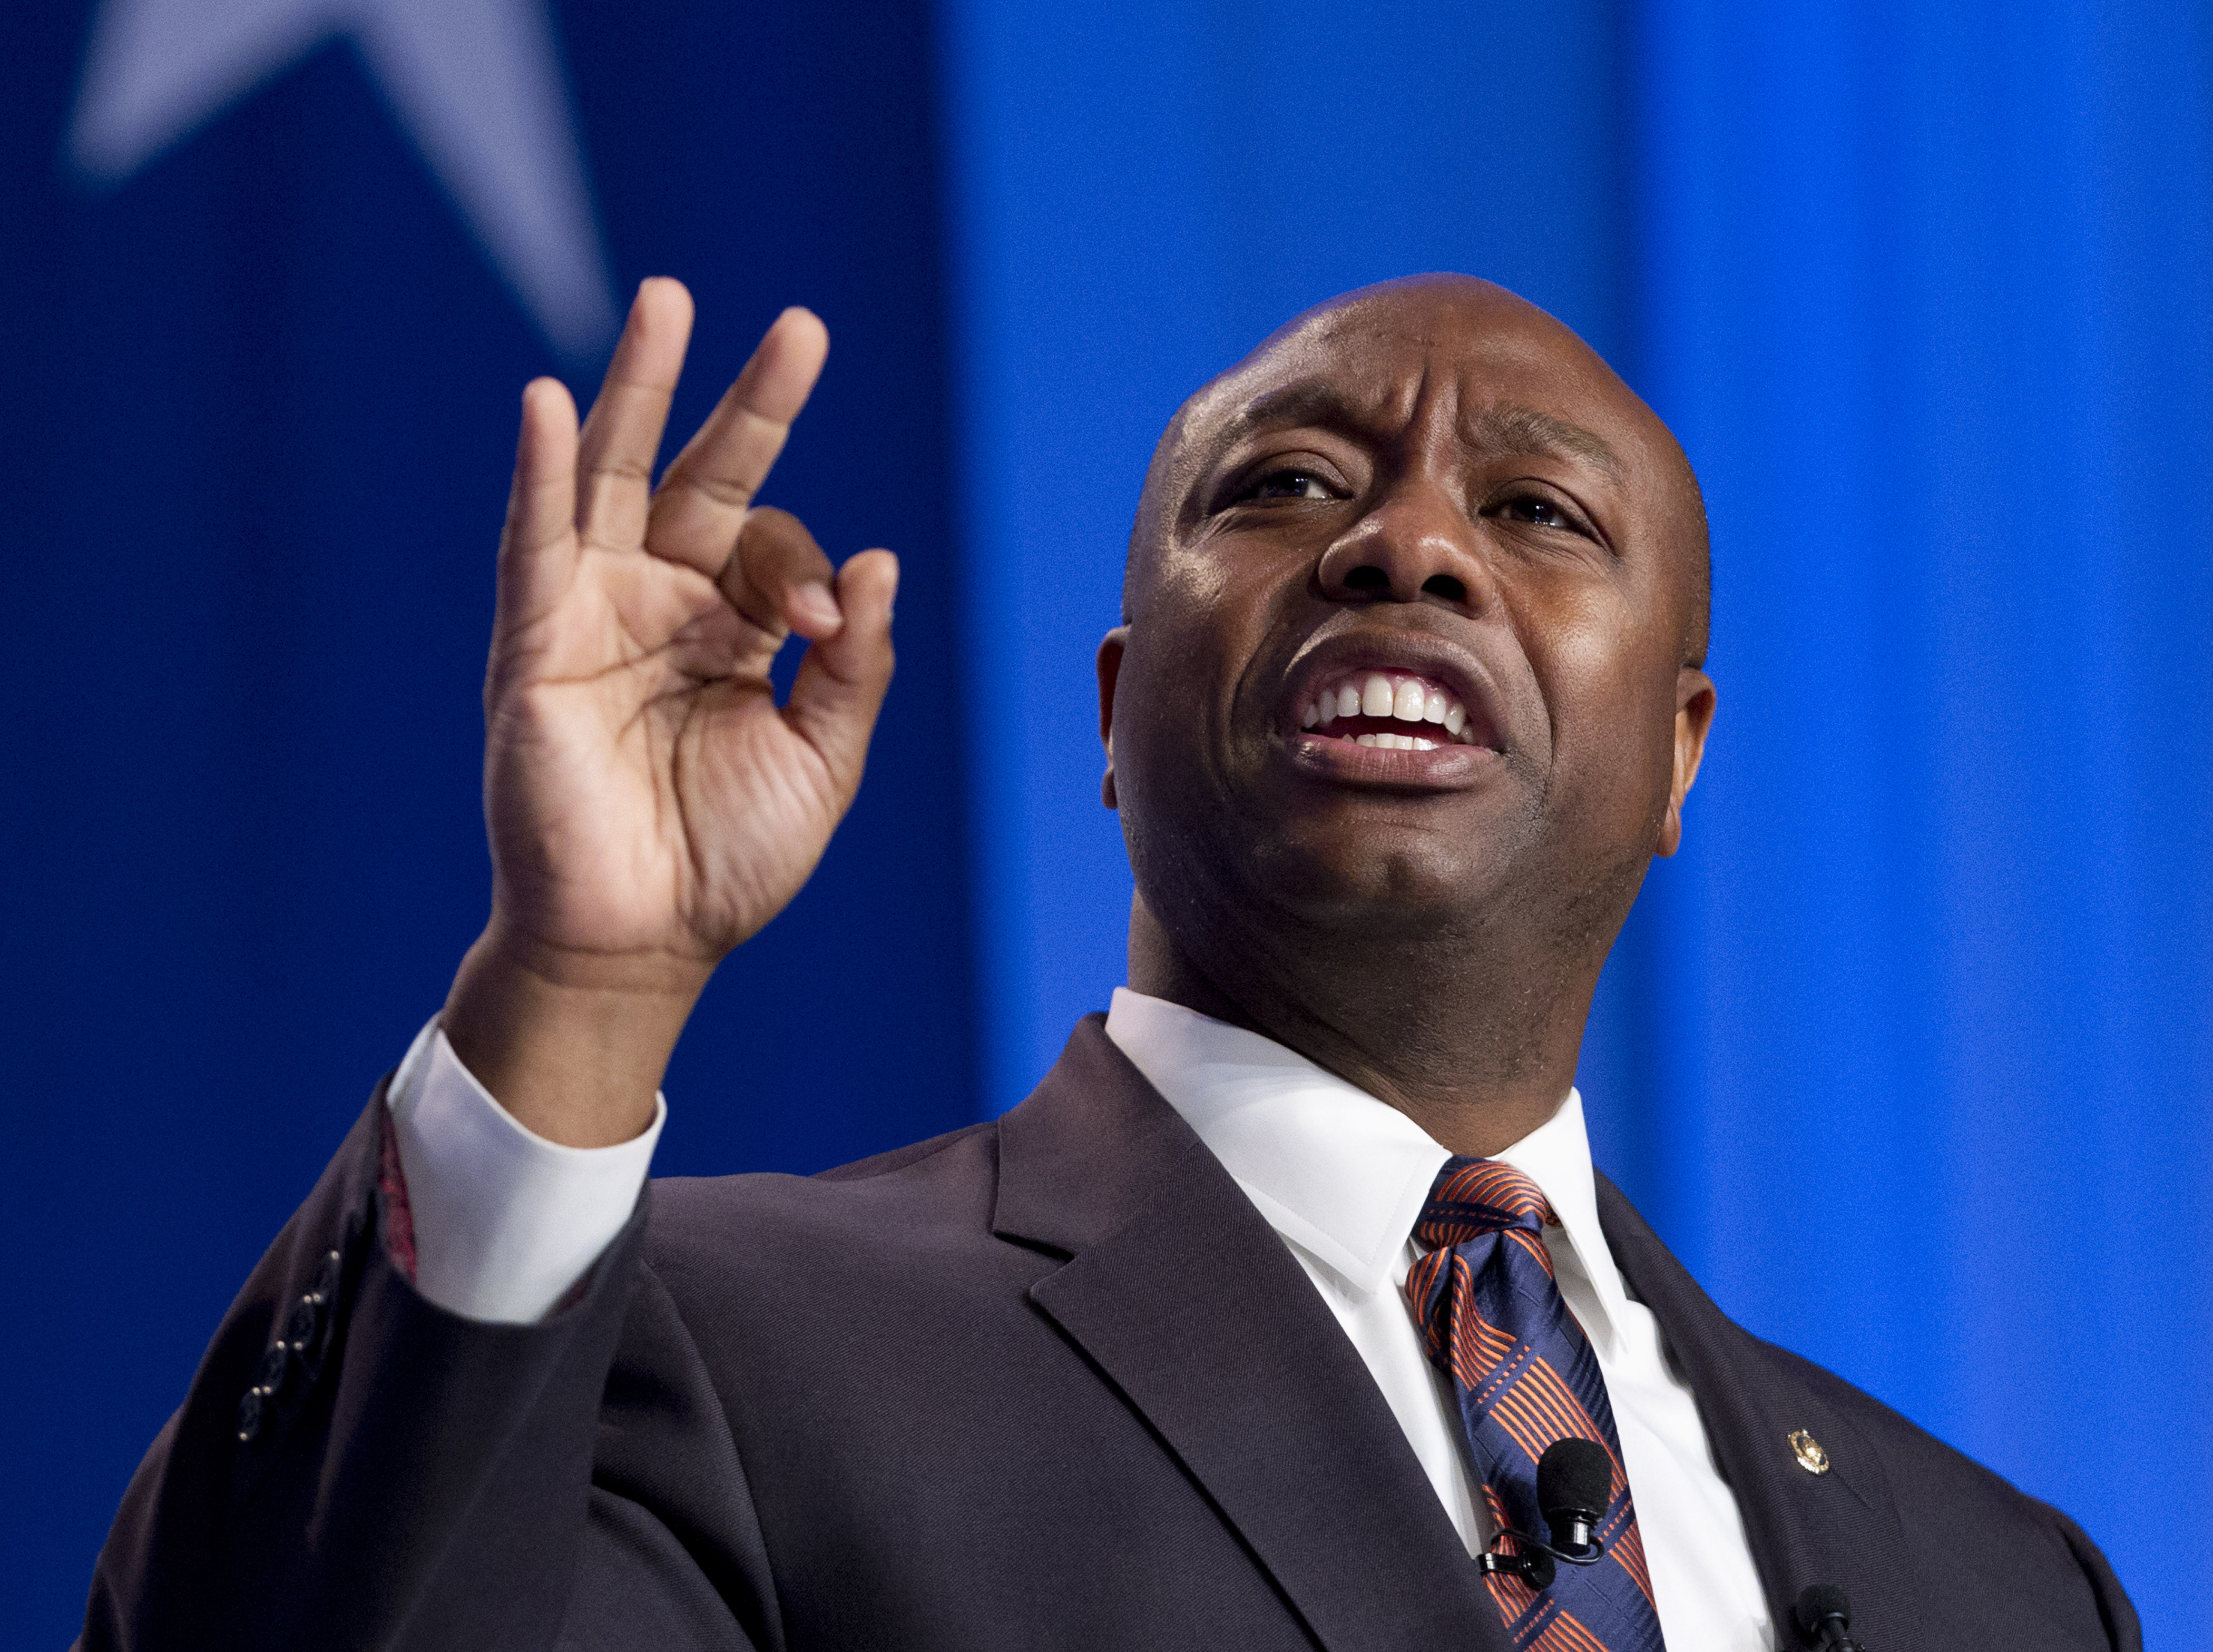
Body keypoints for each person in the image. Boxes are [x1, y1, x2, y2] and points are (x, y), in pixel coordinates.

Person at [78, 275, 2137, 1651]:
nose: (1403, 546)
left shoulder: (2004, 1579)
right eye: (1287, 487)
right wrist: (580, 984)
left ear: (1679, 751)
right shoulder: (704, 1347)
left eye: (1534, 510)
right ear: (1118, 710)